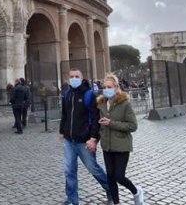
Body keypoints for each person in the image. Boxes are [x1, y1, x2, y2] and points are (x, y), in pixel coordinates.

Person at [59, 68, 110, 205]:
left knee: (93, 168)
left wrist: (93, 138)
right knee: (69, 170)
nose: (74, 79)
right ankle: (72, 200)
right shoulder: (66, 94)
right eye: (71, 76)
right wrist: (61, 131)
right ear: (68, 78)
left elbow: (95, 118)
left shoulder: (89, 95)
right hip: (69, 140)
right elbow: (65, 115)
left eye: (77, 76)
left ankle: (110, 189)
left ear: (82, 78)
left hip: (84, 141)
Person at [97, 73, 145, 205]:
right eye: (104, 87)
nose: (106, 89)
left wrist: (111, 123)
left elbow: (133, 125)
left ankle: (136, 191)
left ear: (116, 87)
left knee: (119, 176)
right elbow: (98, 124)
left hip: (122, 145)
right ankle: (116, 202)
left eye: (109, 86)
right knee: (110, 176)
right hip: (107, 145)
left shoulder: (125, 104)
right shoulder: (101, 104)